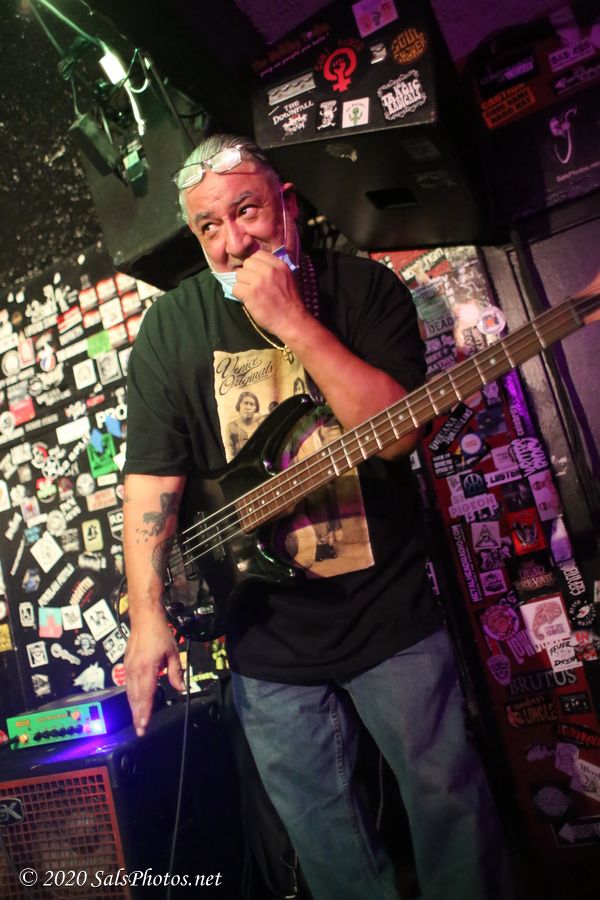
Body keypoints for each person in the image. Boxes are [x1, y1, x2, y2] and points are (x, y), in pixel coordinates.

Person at [123, 133, 516, 900]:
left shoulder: (366, 291)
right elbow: (150, 485)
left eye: (246, 211)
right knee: (326, 844)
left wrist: (296, 323)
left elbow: (396, 434)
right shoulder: (171, 329)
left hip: (388, 615)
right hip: (266, 640)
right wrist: (146, 615)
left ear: (287, 205)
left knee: (452, 812)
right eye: (209, 227)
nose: (232, 243)